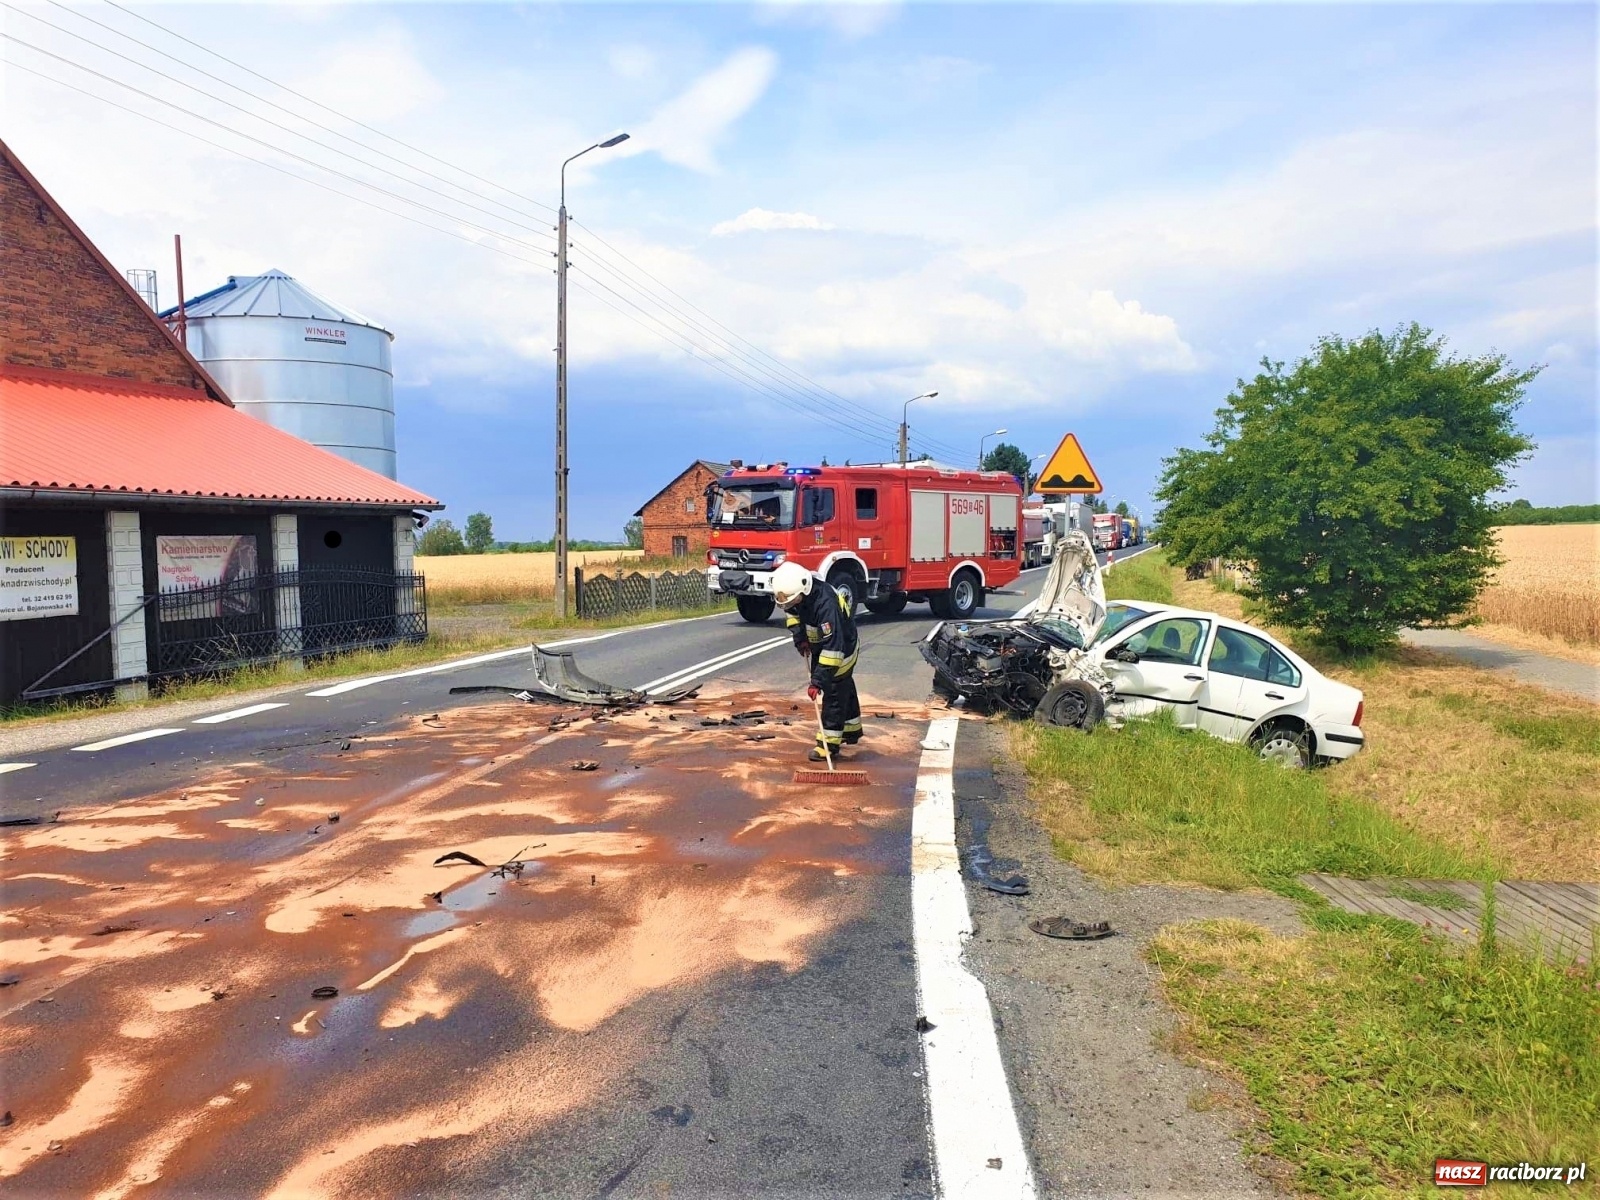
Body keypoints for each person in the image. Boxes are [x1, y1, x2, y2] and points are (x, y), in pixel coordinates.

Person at [770, 561, 862, 762]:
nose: (789, 606)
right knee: (844, 686)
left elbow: (834, 649)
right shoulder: (798, 594)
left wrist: (818, 682)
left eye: (792, 601)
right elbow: (793, 614)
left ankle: (828, 746)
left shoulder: (825, 604)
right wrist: (800, 638)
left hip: (841, 650)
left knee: (834, 693)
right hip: (823, 645)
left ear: (804, 590)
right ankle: (851, 729)